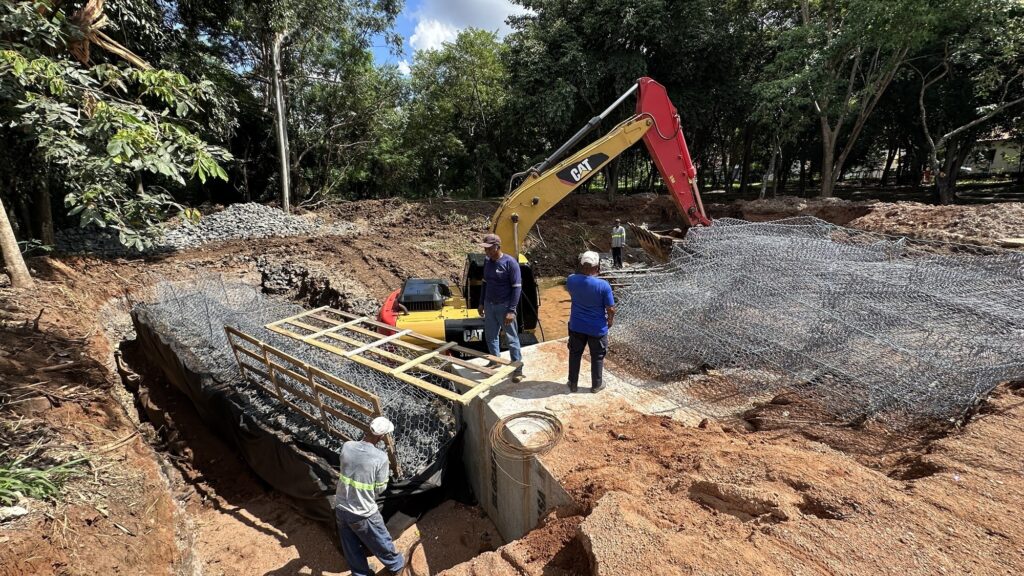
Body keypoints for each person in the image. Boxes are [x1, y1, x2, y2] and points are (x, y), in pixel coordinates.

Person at [335, 417, 406, 576]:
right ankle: (398, 567)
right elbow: (380, 488)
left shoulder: (347, 446)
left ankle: (360, 574)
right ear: (381, 437)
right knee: (381, 541)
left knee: (351, 546)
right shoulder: (380, 458)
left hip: (340, 507)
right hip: (363, 512)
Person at [565, 251, 616, 393]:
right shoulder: (603, 285)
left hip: (577, 326)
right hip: (596, 328)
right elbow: (611, 308)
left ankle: (573, 383)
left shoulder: (571, 280)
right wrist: (610, 321)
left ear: (581, 265)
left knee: (575, 354)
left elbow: (573, 294)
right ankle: (596, 385)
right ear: (597, 266)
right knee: (597, 356)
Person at [477, 233, 525, 383]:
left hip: (504, 306)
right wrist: (481, 302)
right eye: (485, 249)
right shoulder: (487, 261)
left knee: (511, 339)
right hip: (489, 305)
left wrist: (511, 310)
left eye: (489, 248)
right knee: (491, 336)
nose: (486, 252)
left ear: (497, 247)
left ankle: (517, 369)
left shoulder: (510, 263)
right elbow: (485, 283)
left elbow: (517, 288)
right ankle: (495, 360)